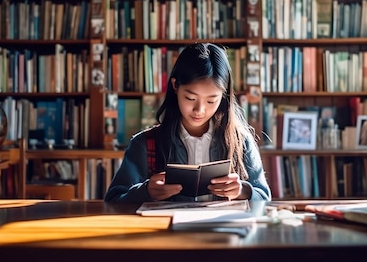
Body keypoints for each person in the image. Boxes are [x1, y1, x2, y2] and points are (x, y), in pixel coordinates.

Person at [104, 43, 271, 203]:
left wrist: (243, 190)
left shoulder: (240, 142)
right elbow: (113, 200)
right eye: (190, 98)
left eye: (211, 101)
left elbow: (264, 198)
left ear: (224, 96)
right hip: (165, 232)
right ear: (175, 85)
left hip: (223, 231)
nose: (199, 110)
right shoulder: (145, 144)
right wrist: (145, 191)